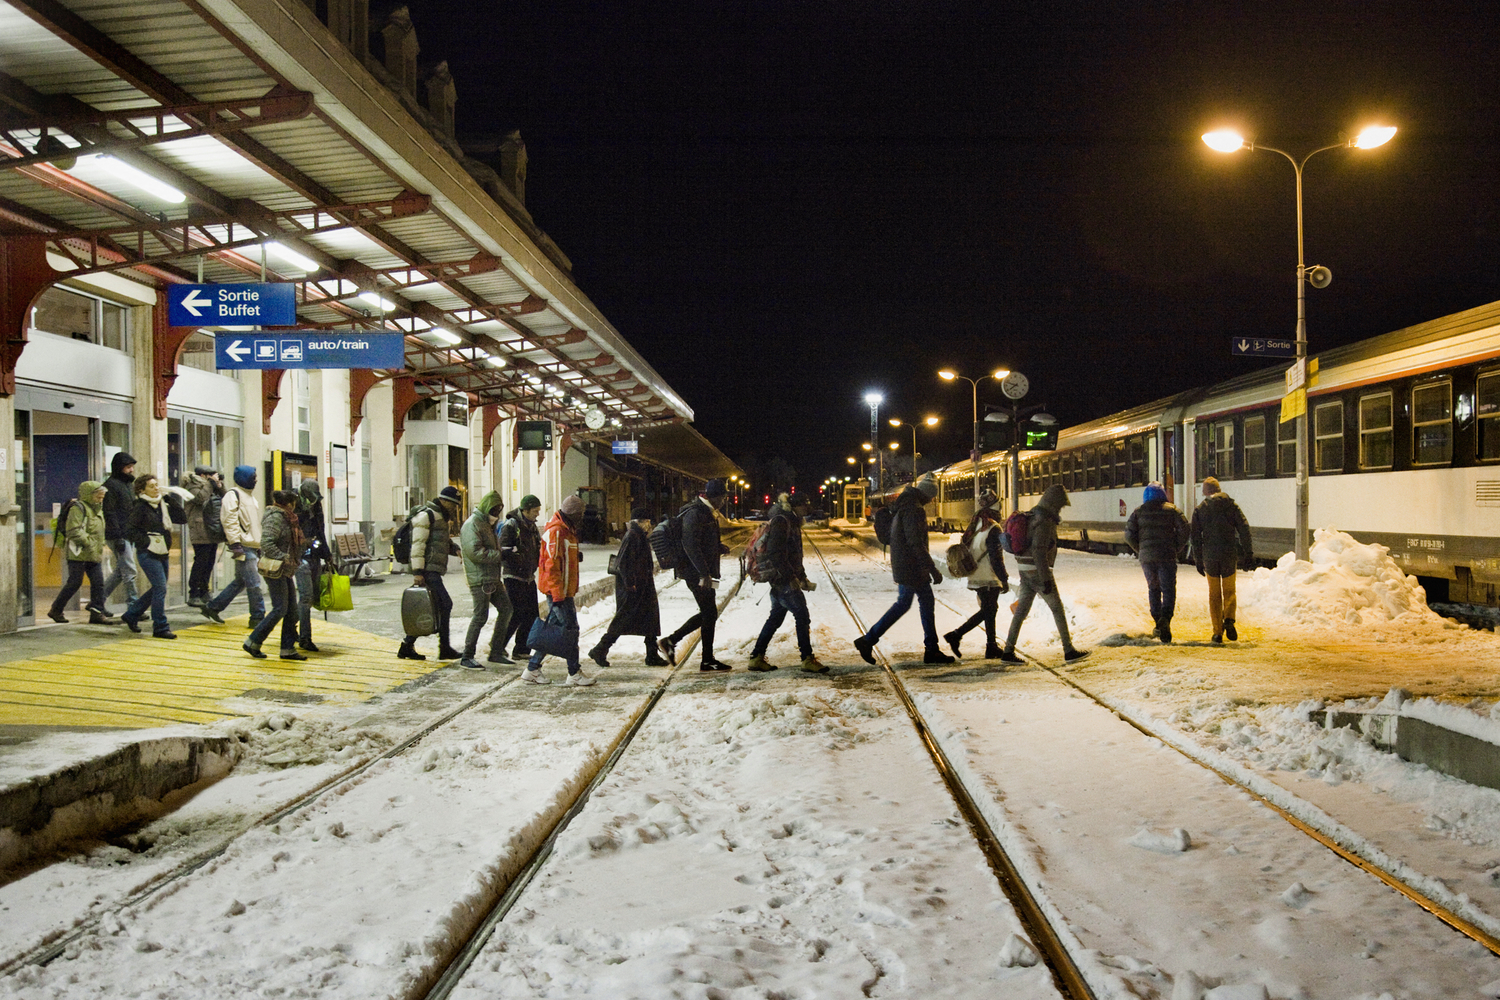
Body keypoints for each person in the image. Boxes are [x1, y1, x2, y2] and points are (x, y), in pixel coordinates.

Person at [852, 474, 954, 665]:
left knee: (918, 601)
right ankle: (869, 640)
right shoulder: (913, 509)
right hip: (911, 565)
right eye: (932, 496)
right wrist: (931, 568)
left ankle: (931, 648)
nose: (932, 500)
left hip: (906, 563)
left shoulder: (905, 504)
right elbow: (915, 541)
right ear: (927, 494)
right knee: (907, 603)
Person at [999, 483, 1089, 664]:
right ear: (1054, 503)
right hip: (1037, 571)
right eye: (1061, 506)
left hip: (1024, 570)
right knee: (1057, 609)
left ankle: (1008, 651)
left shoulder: (1032, 515)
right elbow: (1039, 551)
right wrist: (1046, 578)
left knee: (1021, 612)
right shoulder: (1044, 521)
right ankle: (1069, 650)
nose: (1061, 509)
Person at [746, 493, 826, 674]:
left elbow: (794, 553)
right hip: (783, 579)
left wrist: (802, 575)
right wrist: (791, 577)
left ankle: (757, 657)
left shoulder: (792, 522)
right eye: (804, 506)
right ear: (794, 507)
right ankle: (807, 659)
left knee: (776, 617)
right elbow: (776, 553)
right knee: (802, 615)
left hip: (783, 577)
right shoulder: (783, 522)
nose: (807, 509)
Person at [659, 479, 733, 672]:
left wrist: (718, 548)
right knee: (709, 612)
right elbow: (690, 545)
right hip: (697, 572)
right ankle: (678, 645)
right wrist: (704, 573)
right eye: (723, 497)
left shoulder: (706, 512)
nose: (724, 501)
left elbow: (703, 541)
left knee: (709, 613)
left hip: (705, 571)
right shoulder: (695, 513)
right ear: (715, 497)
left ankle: (683, 647)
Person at [525, 495, 594, 685]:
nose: (582, 517)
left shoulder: (566, 530)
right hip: (559, 592)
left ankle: (532, 668)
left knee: (552, 631)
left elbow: (561, 559)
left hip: (564, 591)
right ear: (573, 513)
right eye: (580, 513)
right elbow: (551, 566)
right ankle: (573, 673)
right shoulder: (557, 532)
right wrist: (557, 594)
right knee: (571, 630)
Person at [588, 507, 669, 668]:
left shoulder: (638, 535)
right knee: (623, 620)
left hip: (641, 585)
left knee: (650, 618)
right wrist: (630, 583)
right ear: (642, 522)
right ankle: (600, 649)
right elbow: (623, 562)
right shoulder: (633, 535)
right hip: (634, 587)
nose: (649, 526)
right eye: (648, 523)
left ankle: (651, 654)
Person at [398, 485, 464, 661]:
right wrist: (417, 572)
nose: (454, 507)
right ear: (442, 500)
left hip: (432, 569)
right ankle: (443, 648)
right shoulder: (426, 515)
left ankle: (408, 645)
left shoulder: (440, 517)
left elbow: (438, 540)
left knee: (434, 607)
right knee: (445, 604)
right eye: (451, 503)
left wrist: (454, 548)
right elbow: (418, 545)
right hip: (427, 570)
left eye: (456, 504)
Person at [943, 487, 1010, 660]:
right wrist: (1004, 578)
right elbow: (996, 557)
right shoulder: (993, 528)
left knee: (989, 609)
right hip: (988, 574)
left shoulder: (976, 523)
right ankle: (957, 635)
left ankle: (990, 646)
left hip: (976, 573)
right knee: (989, 610)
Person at [1189, 476, 1255, 644]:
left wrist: (1197, 559)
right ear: (1218, 490)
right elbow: (1244, 528)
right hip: (1228, 553)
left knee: (1214, 594)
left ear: (1205, 492)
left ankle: (1217, 632)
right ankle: (1229, 619)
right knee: (1229, 591)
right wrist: (1248, 552)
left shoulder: (1200, 509)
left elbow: (1195, 537)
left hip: (1210, 555)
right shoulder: (1231, 505)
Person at [120, 473, 185, 639]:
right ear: (142, 490)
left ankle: (132, 614)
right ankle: (160, 627)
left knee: (158, 587)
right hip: (147, 553)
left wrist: (170, 500)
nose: (156, 488)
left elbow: (182, 518)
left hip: (163, 551)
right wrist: (147, 542)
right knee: (161, 587)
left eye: (157, 485)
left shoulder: (162, 505)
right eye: (151, 486)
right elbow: (129, 531)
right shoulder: (140, 507)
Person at [1125, 481, 1191, 644]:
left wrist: (1140, 549)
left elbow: (1128, 535)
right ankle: (1166, 619)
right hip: (1167, 555)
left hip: (1147, 558)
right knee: (1168, 589)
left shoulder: (1138, 512)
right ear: (1163, 495)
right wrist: (1177, 547)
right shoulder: (1172, 510)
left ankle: (1157, 621)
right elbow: (1185, 529)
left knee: (1153, 588)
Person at [201, 466, 266, 627]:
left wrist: (258, 544)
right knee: (254, 583)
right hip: (242, 545)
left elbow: (253, 525)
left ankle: (213, 607)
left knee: (241, 581)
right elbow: (229, 521)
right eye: (253, 476)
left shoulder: (250, 497)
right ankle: (257, 617)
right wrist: (235, 543)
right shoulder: (233, 495)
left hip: (250, 545)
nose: (256, 479)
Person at [245, 490, 305, 660]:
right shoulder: (276, 517)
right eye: (294, 503)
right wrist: (284, 557)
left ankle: (287, 649)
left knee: (292, 611)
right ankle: (253, 641)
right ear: (288, 504)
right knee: (280, 609)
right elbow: (266, 543)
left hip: (285, 570)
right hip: (275, 569)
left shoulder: (288, 518)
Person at [47, 480, 115, 625]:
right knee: (74, 582)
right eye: (98, 496)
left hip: (93, 553)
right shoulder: (78, 509)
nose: (100, 500)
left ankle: (97, 613)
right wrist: (89, 542)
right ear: (88, 495)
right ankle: (56, 609)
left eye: (102, 497)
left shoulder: (97, 508)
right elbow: (74, 531)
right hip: (79, 553)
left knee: (98, 583)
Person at [458, 490, 514, 669]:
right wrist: (500, 554)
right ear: (486, 508)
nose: (496, 515)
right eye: (494, 511)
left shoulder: (486, 524)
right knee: (480, 616)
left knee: (506, 609)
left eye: (498, 511)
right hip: (480, 579)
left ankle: (496, 651)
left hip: (492, 577)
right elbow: (475, 553)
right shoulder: (472, 524)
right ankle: (467, 656)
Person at [497, 495, 544, 660]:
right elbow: (502, 550)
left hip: (528, 575)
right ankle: (498, 645)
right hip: (513, 575)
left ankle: (521, 649)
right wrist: (517, 557)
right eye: (535, 511)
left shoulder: (531, 526)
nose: (537, 514)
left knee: (532, 613)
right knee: (516, 613)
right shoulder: (511, 525)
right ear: (525, 510)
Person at [294, 480, 331, 652]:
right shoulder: (292, 501)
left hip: (314, 556)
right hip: (298, 557)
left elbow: (320, 530)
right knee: (306, 596)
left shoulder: (317, 505)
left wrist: (327, 554)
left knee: (313, 595)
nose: (313, 502)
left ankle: (291, 625)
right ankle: (305, 638)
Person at [100, 451, 139, 612]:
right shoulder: (111, 485)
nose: (131, 470)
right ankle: (133, 606)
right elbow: (110, 513)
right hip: (119, 535)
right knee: (129, 569)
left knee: (120, 571)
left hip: (128, 533)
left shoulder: (128, 485)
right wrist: (117, 537)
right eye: (128, 467)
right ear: (119, 468)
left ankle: (97, 601)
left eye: (132, 467)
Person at [181, 466, 223, 608]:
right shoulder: (192, 485)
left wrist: (219, 485)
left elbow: (225, 496)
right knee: (201, 561)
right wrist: (210, 484)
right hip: (200, 527)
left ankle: (205, 590)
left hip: (212, 527)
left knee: (210, 561)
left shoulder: (209, 485)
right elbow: (199, 498)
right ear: (203, 475)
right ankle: (194, 593)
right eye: (211, 475)